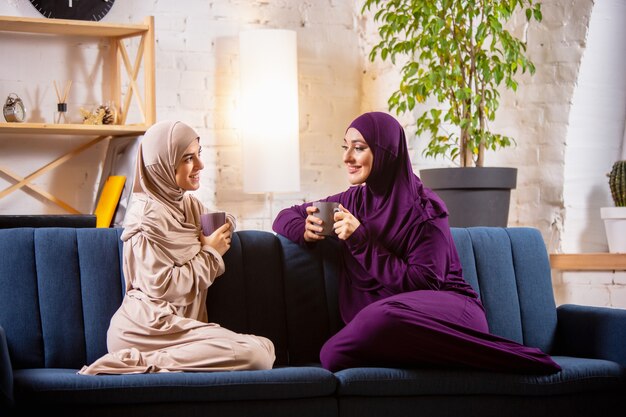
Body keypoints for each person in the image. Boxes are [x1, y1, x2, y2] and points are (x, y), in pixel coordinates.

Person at [272, 111, 561, 374]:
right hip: (386, 322)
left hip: (447, 311)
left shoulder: (426, 210)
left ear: (385, 152)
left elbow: (423, 281)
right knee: (332, 353)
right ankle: (427, 357)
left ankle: (509, 359)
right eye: (345, 146)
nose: (347, 157)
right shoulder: (350, 201)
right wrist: (306, 231)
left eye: (359, 148)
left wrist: (361, 239)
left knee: (379, 317)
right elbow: (284, 216)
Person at [79, 120, 275, 374]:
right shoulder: (144, 220)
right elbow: (165, 286)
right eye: (187, 159)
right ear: (161, 164)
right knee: (256, 355)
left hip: (179, 327)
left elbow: (225, 221)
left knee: (265, 347)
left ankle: (152, 360)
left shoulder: (184, 204)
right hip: (146, 328)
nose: (200, 166)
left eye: (199, 155)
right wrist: (210, 253)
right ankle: (136, 360)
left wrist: (219, 230)